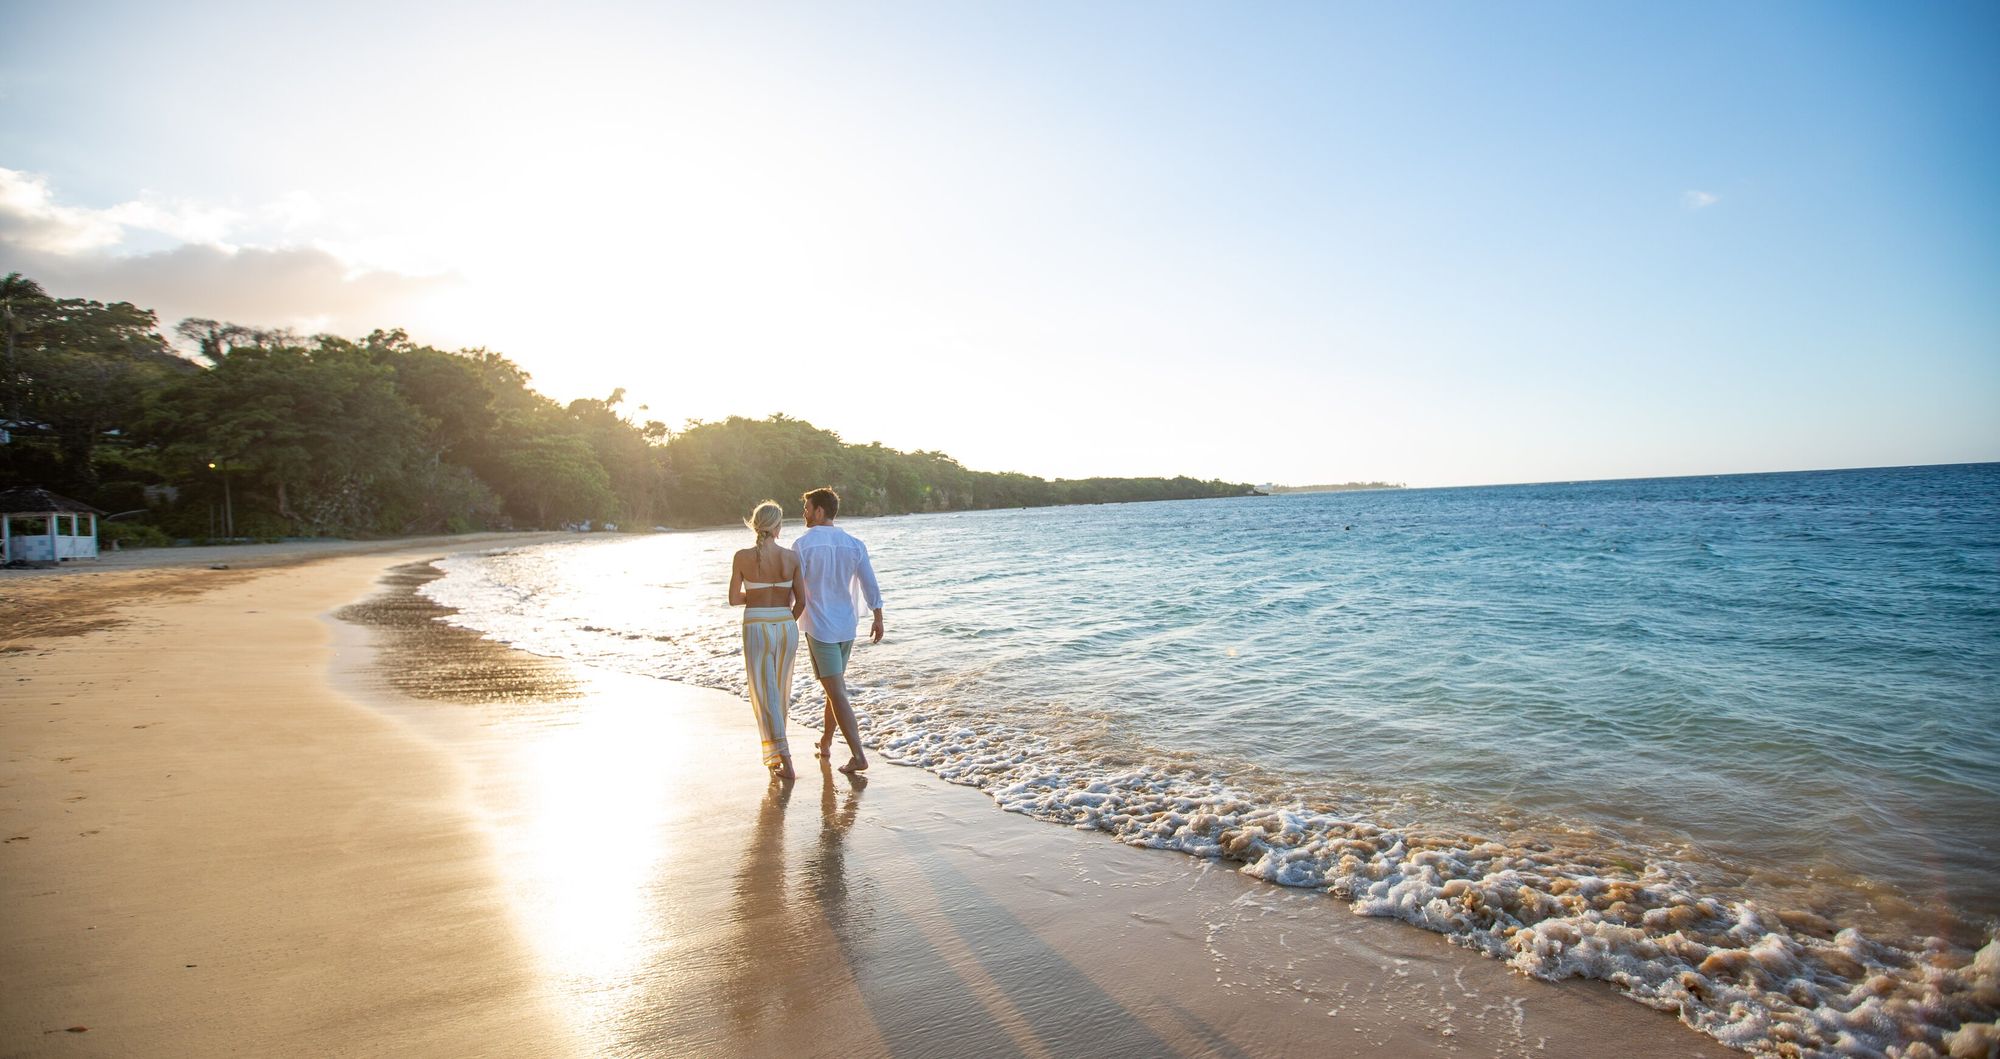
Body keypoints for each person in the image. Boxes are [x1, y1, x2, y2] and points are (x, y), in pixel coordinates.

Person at [793, 486, 883, 775]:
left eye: (807, 508)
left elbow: (793, 591)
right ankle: (826, 741)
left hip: (820, 628)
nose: (804, 513)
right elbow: (870, 582)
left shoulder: (802, 545)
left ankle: (858, 756)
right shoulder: (854, 543)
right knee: (835, 690)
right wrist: (878, 616)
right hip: (846, 626)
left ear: (819, 511)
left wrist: (781, 619)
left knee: (837, 692)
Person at [728, 499, 805, 780]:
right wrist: (784, 619)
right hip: (786, 626)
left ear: (755, 525)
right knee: (781, 691)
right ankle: (776, 756)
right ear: (778, 527)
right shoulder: (791, 557)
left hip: (757, 625)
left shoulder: (741, 557)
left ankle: (784, 759)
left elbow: (734, 598)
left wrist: (758, 597)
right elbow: (802, 601)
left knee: (765, 693)